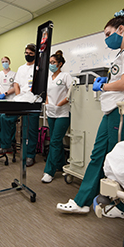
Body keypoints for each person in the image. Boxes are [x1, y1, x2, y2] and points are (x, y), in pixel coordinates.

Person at [56, 8, 124, 218]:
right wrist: (106, 82)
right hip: (115, 112)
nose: (106, 39)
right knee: (98, 154)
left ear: (121, 29)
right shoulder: (123, 53)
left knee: (122, 159)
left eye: (108, 34)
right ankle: (82, 202)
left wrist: (104, 87)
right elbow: (121, 80)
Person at [0, 43, 39, 167]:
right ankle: (6, 145)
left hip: (33, 101)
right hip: (20, 99)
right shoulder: (21, 68)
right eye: (26, 53)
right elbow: (16, 84)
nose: (28, 55)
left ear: (35, 54)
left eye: (30, 53)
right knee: (4, 117)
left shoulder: (38, 68)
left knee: (31, 130)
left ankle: (30, 155)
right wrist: (19, 97)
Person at [41, 51, 72, 183]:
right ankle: (60, 164)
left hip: (63, 113)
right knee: (56, 141)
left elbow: (72, 92)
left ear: (60, 64)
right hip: (51, 112)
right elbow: (46, 92)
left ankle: (49, 171)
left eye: (53, 63)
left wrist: (62, 102)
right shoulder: (48, 78)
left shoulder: (65, 76)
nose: (51, 65)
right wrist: (47, 101)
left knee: (54, 141)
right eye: (50, 63)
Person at [0, 56, 17, 150]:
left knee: (10, 122)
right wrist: (0, 95)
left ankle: (12, 142)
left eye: (6, 61)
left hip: (10, 100)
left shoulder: (14, 74)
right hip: (0, 101)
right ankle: (0, 142)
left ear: (9, 62)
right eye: (3, 62)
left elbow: (15, 87)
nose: (4, 63)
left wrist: (6, 93)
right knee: (0, 123)